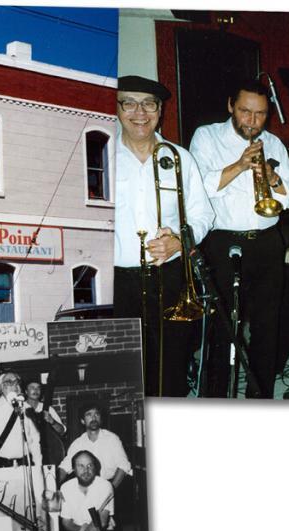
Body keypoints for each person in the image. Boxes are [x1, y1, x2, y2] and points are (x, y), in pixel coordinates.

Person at [189, 78, 289, 398]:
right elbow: (201, 186)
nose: (252, 121)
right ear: (230, 107)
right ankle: (216, 396)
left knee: (268, 325)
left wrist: (273, 177)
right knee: (224, 326)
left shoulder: (274, 145)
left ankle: (259, 396)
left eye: (260, 114)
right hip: (224, 241)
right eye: (245, 112)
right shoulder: (207, 136)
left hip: (267, 241)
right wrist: (240, 165)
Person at [113, 75, 215, 397]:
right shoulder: (100, 154)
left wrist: (180, 241)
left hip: (169, 278)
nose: (139, 112)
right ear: (117, 109)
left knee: (170, 369)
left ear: (160, 111)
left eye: (149, 104)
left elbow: (203, 215)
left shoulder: (180, 157)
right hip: (118, 282)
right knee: (126, 372)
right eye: (129, 102)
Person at [56, 450, 115, 531]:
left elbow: (102, 521)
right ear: (73, 469)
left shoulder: (105, 486)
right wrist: (80, 530)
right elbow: (66, 522)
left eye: (90, 465)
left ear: (95, 467)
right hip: (77, 529)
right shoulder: (65, 488)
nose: (86, 470)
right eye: (81, 466)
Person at [58, 403, 132, 488]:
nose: (93, 418)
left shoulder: (112, 439)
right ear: (82, 421)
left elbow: (123, 466)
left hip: (111, 484)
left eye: (96, 414)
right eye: (89, 415)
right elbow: (64, 468)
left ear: (100, 419)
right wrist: (52, 484)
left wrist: (111, 490)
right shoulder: (77, 444)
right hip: (87, 488)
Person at [0, 371, 41, 466]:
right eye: (10, 383)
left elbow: (35, 441)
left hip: (24, 465)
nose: (15, 386)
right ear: (2, 388)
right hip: (0, 466)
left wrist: (38, 466)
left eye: (17, 383)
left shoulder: (27, 408)